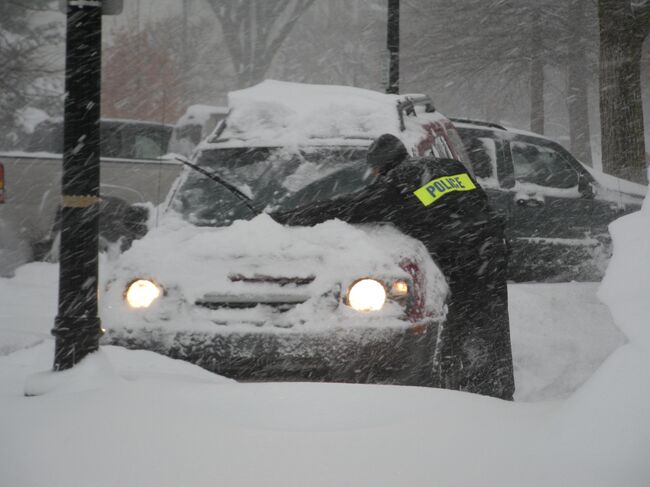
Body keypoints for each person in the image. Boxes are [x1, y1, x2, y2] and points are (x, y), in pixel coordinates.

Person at [273, 133, 515, 400]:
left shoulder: (395, 185)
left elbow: (346, 207)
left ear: (379, 166)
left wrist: (284, 217)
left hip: (462, 255)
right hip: (489, 247)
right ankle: (495, 389)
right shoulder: (447, 166)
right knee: (491, 323)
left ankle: (467, 393)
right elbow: (475, 202)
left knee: (462, 324)